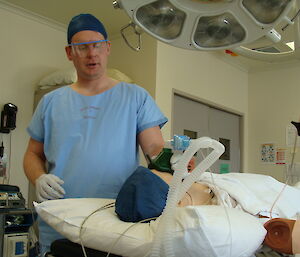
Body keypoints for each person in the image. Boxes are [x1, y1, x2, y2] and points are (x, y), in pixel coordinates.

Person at [23, 13, 167, 256]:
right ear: (70, 53)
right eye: (82, 47)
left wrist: (179, 163)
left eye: (97, 45)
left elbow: (156, 152)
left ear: (107, 48)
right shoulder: (50, 102)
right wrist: (38, 178)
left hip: (115, 219)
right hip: (61, 218)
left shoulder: (135, 97)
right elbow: (32, 154)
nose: (92, 53)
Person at [115, 164, 300, 256]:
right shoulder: (228, 215)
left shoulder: (211, 182)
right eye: (174, 178)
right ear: (179, 202)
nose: (178, 175)